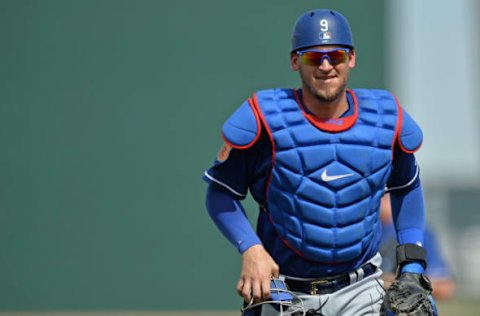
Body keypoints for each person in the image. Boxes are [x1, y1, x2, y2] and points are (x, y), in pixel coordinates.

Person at [204, 9, 436, 315]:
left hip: (361, 287)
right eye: (313, 57)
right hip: (285, 291)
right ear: (294, 61)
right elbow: (220, 193)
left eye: (336, 55)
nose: (326, 66)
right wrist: (250, 247)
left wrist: (412, 265)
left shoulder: (385, 119)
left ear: (351, 58)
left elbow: (407, 187)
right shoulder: (265, 119)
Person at [379, 193, 456, 300]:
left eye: (385, 195)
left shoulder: (418, 233)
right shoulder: (363, 232)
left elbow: (444, 287)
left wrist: (399, 284)